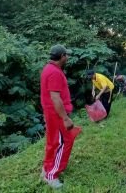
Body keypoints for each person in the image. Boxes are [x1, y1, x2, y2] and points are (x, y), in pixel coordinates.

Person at [40, 45, 81, 189]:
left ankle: (46, 168)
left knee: (53, 141)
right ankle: (51, 175)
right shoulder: (55, 73)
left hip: (51, 113)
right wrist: (65, 118)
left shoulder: (48, 68)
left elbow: (47, 95)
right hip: (57, 115)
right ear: (62, 56)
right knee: (64, 142)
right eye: (66, 55)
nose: (67, 57)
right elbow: (55, 98)